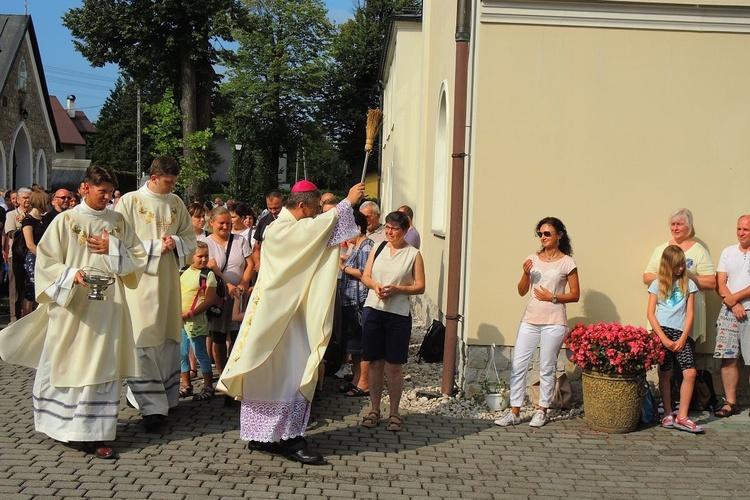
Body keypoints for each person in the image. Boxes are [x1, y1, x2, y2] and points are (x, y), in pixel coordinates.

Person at [0, 165, 147, 459]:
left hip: (109, 307)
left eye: (109, 192)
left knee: (101, 366)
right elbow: (46, 263)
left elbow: (139, 258)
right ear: (85, 188)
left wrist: (113, 247)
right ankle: (62, 426)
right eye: (100, 191)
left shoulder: (118, 221)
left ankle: (95, 434)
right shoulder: (66, 221)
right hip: (73, 309)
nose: (105, 197)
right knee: (70, 363)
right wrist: (72, 276)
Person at [218, 180, 365, 465]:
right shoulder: (283, 229)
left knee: (277, 372)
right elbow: (316, 229)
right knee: (291, 372)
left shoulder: (282, 227)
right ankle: (288, 438)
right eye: (312, 210)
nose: (313, 215)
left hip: (284, 311)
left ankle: (264, 435)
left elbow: (317, 231)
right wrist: (347, 202)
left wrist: (344, 207)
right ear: (301, 205)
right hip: (281, 317)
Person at [116, 156, 197, 431]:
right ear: (153, 178)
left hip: (168, 280)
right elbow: (119, 241)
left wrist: (174, 241)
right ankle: (152, 409)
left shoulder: (176, 203)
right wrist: (153, 247)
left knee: (167, 338)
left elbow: (190, 237)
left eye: (174, 181)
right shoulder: (129, 202)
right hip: (139, 282)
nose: (172, 186)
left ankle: (161, 397)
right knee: (144, 341)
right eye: (168, 181)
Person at [495, 217, 580, 428]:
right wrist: (525, 273)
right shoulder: (532, 259)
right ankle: (514, 411)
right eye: (540, 234)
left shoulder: (567, 262)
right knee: (519, 365)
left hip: (554, 322)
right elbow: (522, 291)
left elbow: (575, 294)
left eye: (547, 233)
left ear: (559, 235)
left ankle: (542, 410)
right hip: (530, 320)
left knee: (547, 366)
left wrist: (553, 297)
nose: (543, 237)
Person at [359, 211, 425, 432]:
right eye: (387, 227)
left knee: (394, 366)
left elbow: (420, 286)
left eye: (395, 229)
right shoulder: (378, 248)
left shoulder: (413, 254)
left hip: (398, 314)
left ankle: (395, 412)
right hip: (373, 310)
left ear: (405, 231)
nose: (389, 232)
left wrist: (398, 289)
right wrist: (374, 286)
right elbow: (365, 276)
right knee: (375, 363)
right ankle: (375, 409)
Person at [647, 245, 703, 433]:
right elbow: (650, 313)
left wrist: (683, 338)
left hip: (681, 334)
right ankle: (668, 413)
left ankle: (683, 416)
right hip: (662, 332)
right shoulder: (657, 284)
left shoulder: (689, 284)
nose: (681, 269)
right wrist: (662, 338)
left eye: (682, 265)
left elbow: (690, 314)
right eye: (677, 265)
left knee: (690, 373)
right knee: (665, 372)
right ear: (668, 265)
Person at [643, 209, 716, 347]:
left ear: (689, 226)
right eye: (673, 224)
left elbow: (711, 283)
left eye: (679, 224)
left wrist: (687, 275)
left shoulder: (699, 250)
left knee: (686, 363)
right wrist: (666, 272)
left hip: (686, 323)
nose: (675, 228)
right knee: (665, 364)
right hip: (662, 322)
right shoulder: (661, 249)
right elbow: (647, 277)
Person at [205, 206, 254, 384]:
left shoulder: (240, 240)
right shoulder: (207, 243)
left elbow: (250, 263)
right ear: (212, 223)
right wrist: (228, 285)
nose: (225, 227)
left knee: (236, 336)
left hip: (238, 297)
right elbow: (211, 266)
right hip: (218, 297)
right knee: (218, 336)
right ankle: (221, 372)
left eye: (228, 223)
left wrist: (242, 283)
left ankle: (234, 373)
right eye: (221, 223)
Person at [712, 215, 750, 418]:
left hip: (749, 310)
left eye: (746, 229)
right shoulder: (728, 252)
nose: (741, 233)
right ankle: (730, 402)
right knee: (728, 357)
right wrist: (734, 303)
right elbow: (720, 282)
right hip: (728, 311)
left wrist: (736, 298)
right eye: (739, 229)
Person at [338, 211, 374, 397]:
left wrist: (342, 267)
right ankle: (355, 379)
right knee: (354, 346)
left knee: (361, 344)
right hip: (351, 300)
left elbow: (364, 272)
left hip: (358, 301)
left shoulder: (367, 246)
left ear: (358, 228)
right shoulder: (357, 246)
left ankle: (364, 383)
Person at [179, 241, 217, 401]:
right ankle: (186, 385)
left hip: (196, 320)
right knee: (181, 353)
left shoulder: (208, 275)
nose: (204, 259)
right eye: (200, 256)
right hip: (181, 320)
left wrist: (192, 313)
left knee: (200, 353)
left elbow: (209, 300)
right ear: (191, 256)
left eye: (206, 256)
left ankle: (208, 386)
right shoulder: (182, 271)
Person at [21, 191, 54, 314]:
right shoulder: (28, 220)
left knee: (40, 289)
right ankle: (27, 318)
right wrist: (42, 257)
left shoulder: (44, 219)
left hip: (44, 256)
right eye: (47, 202)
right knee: (31, 289)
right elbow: (30, 244)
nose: (49, 205)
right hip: (34, 257)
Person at [5, 188, 31, 322]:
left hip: (32, 255)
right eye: (24, 198)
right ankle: (14, 317)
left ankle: (29, 315)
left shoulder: (35, 214)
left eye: (29, 198)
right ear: (19, 200)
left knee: (31, 285)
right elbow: (10, 232)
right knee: (15, 286)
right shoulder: (11, 215)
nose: (27, 200)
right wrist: (26, 226)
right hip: (16, 254)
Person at [252, 190, 283, 272]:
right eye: (270, 208)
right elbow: (256, 248)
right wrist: (257, 261)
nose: (273, 211)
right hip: (266, 268)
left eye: (276, 208)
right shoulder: (263, 221)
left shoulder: (290, 220)